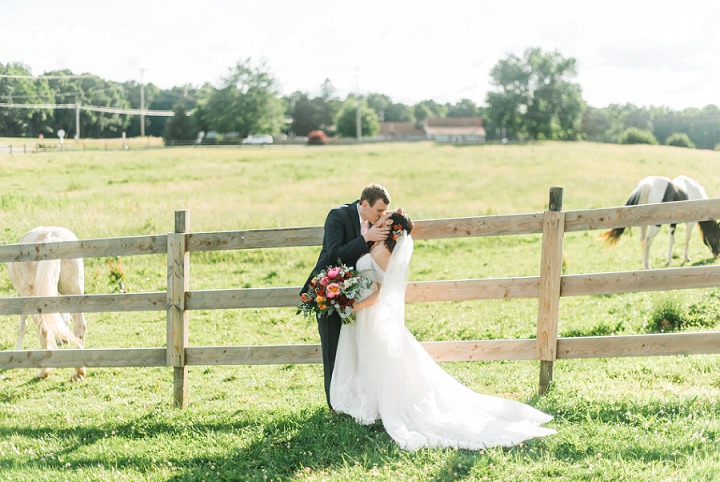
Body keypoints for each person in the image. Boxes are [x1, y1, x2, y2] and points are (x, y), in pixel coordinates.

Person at [330, 209, 557, 451]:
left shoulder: (385, 253)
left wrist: (355, 306)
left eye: (385, 221)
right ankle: (370, 403)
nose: (379, 221)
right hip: (364, 314)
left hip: (370, 313)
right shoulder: (376, 244)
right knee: (372, 358)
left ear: (392, 229)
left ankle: (380, 406)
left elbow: (380, 293)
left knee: (380, 359)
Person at [301, 183, 393, 409]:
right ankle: (334, 405)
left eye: (383, 211)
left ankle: (354, 401)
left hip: (360, 299)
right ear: (364, 204)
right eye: (378, 211)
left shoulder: (377, 225)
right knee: (332, 351)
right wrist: (366, 237)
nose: (381, 215)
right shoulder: (338, 216)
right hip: (329, 293)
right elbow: (334, 254)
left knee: (354, 352)